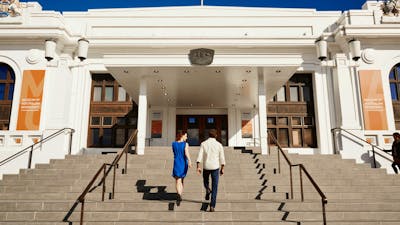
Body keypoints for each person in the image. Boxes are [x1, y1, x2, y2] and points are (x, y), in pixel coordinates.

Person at [196, 129, 225, 212]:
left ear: (208, 135)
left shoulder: (203, 144)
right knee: (215, 187)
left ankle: (207, 189)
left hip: (206, 167)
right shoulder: (219, 145)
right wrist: (222, 168)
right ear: (216, 135)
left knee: (205, 181)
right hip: (215, 167)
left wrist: (198, 166)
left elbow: (200, 155)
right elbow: (222, 157)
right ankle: (212, 206)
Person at [172, 131, 192, 205]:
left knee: (178, 180)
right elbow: (186, 153)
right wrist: (189, 161)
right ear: (182, 136)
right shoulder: (185, 144)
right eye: (185, 136)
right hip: (183, 163)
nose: (186, 138)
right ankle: (180, 194)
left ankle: (179, 194)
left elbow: (175, 153)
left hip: (176, 162)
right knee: (182, 179)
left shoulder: (173, 144)